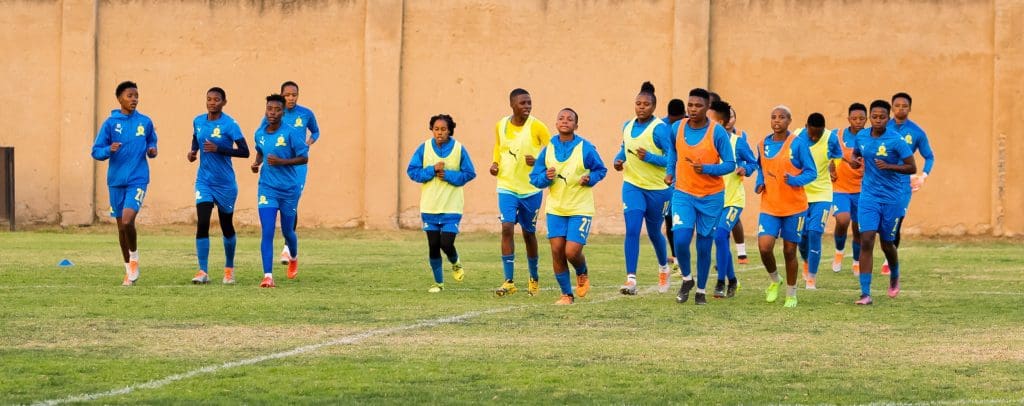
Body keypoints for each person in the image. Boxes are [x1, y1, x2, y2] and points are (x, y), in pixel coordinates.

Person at [665, 88, 736, 305]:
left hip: (711, 196)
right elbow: (673, 152)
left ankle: (701, 292)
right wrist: (670, 172)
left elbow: (730, 164)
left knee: (704, 245)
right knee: (681, 238)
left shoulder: (717, 132)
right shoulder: (677, 127)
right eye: (691, 105)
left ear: (707, 108)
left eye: (698, 106)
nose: (693, 109)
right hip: (683, 193)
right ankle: (687, 279)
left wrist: (706, 168)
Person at [529, 108, 607, 304]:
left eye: (570, 119)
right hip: (556, 208)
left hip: (580, 208)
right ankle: (566, 294)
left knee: (571, 251)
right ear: (556, 124)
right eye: (561, 118)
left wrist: (590, 178)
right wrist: (544, 178)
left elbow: (601, 169)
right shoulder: (547, 149)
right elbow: (535, 178)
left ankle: (582, 272)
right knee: (557, 250)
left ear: (576, 125)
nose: (565, 121)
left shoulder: (586, 148)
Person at [90, 81, 158, 286]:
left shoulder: (145, 122)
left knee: (128, 220)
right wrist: (108, 150)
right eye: (130, 96)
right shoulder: (110, 123)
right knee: (121, 228)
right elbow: (96, 150)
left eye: (136, 95)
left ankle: (134, 258)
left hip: (138, 178)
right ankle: (128, 269)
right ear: (120, 98)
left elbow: (152, 141)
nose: (134, 99)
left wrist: (152, 150)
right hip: (116, 181)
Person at [850, 100, 916, 305]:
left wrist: (889, 166)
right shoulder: (861, 136)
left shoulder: (896, 140)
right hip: (868, 196)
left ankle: (894, 274)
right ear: (870, 116)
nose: (878, 120)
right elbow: (857, 153)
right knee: (867, 239)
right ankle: (865, 293)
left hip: (892, 198)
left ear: (888, 118)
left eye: (882, 117)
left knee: (887, 243)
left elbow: (911, 167)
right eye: (874, 116)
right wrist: (854, 160)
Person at [613, 82, 673, 295]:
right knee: (632, 228)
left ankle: (664, 268)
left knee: (654, 231)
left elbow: (671, 160)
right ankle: (631, 279)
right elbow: (624, 149)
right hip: (632, 186)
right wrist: (618, 160)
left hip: (658, 189)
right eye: (638, 103)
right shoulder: (627, 126)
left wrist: (649, 157)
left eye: (646, 104)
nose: (641, 107)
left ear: (654, 107)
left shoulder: (660, 130)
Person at [406, 114, 476, 293]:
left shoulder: (459, 149)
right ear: (431, 130)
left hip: (452, 206)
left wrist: (449, 176)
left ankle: (455, 262)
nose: (439, 133)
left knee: (446, 243)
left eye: (443, 129)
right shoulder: (424, 148)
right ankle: (439, 283)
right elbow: (413, 172)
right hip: (429, 206)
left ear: (450, 130)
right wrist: (432, 170)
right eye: (436, 129)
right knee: (433, 246)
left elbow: (469, 173)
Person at [490, 88, 551, 297]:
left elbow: (553, 149)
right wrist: (495, 163)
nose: (527, 107)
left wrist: (539, 161)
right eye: (523, 103)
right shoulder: (501, 125)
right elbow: (499, 146)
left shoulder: (537, 126)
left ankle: (533, 278)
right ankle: (508, 281)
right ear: (512, 104)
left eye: (529, 103)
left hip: (531, 190)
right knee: (506, 227)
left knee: (528, 233)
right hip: (506, 186)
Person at [754, 105, 816, 308]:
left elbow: (811, 172)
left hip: (794, 208)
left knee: (790, 251)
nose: (777, 121)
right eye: (773, 117)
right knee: (764, 247)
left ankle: (791, 293)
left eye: (782, 117)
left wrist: (795, 180)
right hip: (770, 206)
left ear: (790, 121)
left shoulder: (797, 144)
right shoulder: (762, 144)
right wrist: (759, 182)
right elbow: (762, 168)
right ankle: (775, 280)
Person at [187, 87, 250, 285]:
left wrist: (219, 149)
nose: (212, 102)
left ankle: (229, 269)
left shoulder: (230, 124)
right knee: (203, 222)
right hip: (204, 181)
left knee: (226, 226)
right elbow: (196, 138)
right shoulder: (198, 121)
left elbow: (245, 152)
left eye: (216, 99)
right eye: (209, 99)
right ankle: (202, 271)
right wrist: (193, 151)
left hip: (225, 184)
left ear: (224, 102)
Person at [251, 94, 309, 288]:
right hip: (267, 188)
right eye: (269, 109)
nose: (272, 113)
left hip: (289, 190)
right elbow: (261, 150)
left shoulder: (291, 133)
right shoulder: (259, 133)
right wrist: (257, 162)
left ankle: (293, 257)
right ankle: (268, 276)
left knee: (287, 231)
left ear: (283, 112)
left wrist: (282, 162)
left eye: (276, 110)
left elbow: (304, 158)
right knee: (267, 230)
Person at [881, 92, 936, 275]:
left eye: (904, 106)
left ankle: (889, 260)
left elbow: (929, 156)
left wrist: (923, 176)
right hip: (880, 181)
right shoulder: (881, 128)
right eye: (897, 105)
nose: (900, 109)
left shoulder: (916, 132)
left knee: (896, 220)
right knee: (878, 221)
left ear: (910, 109)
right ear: (892, 107)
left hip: (903, 184)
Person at [707, 101, 757, 298]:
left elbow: (754, 162)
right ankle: (733, 280)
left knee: (720, 236)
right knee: (720, 241)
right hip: (713, 200)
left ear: (724, 122)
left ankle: (720, 282)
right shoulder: (706, 142)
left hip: (733, 201)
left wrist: (746, 169)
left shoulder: (738, 142)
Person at [269, 81, 320, 265]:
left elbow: (316, 131)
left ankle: (287, 248)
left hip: (297, 166)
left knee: (292, 202)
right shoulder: (275, 114)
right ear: (282, 95)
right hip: (277, 166)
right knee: (275, 203)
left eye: (294, 95)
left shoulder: (305, 114)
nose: (291, 98)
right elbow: (263, 132)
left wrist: (309, 142)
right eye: (287, 95)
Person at [795, 113, 842, 289]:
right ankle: (806, 262)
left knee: (815, 233)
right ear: (806, 126)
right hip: (800, 192)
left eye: (818, 133)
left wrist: (834, 166)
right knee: (801, 235)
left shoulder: (831, 138)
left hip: (822, 193)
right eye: (812, 133)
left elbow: (837, 155)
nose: (815, 137)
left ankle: (811, 278)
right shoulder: (796, 135)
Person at [831, 103, 867, 275]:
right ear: (848, 119)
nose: (858, 121)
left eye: (861, 118)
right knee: (843, 220)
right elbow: (826, 153)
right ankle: (839, 251)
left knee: (859, 227)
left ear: (866, 119)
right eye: (854, 118)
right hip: (840, 188)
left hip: (862, 190)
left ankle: (856, 261)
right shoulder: (836, 135)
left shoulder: (870, 138)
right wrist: (831, 167)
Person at [662, 98, 686, 271]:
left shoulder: (689, 125)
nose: (675, 123)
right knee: (669, 219)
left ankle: (684, 256)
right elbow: (668, 155)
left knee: (683, 222)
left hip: (688, 181)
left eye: (679, 119)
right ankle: (676, 256)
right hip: (667, 181)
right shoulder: (661, 126)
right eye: (673, 120)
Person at [725, 107, 751, 265]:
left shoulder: (740, 138)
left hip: (733, 186)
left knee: (733, 219)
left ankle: (741, 253)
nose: (728, 120)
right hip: (715, 189)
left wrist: (744, 169)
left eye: (732, 116)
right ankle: (724, 255)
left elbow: (751, 161)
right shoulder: (712, 137)